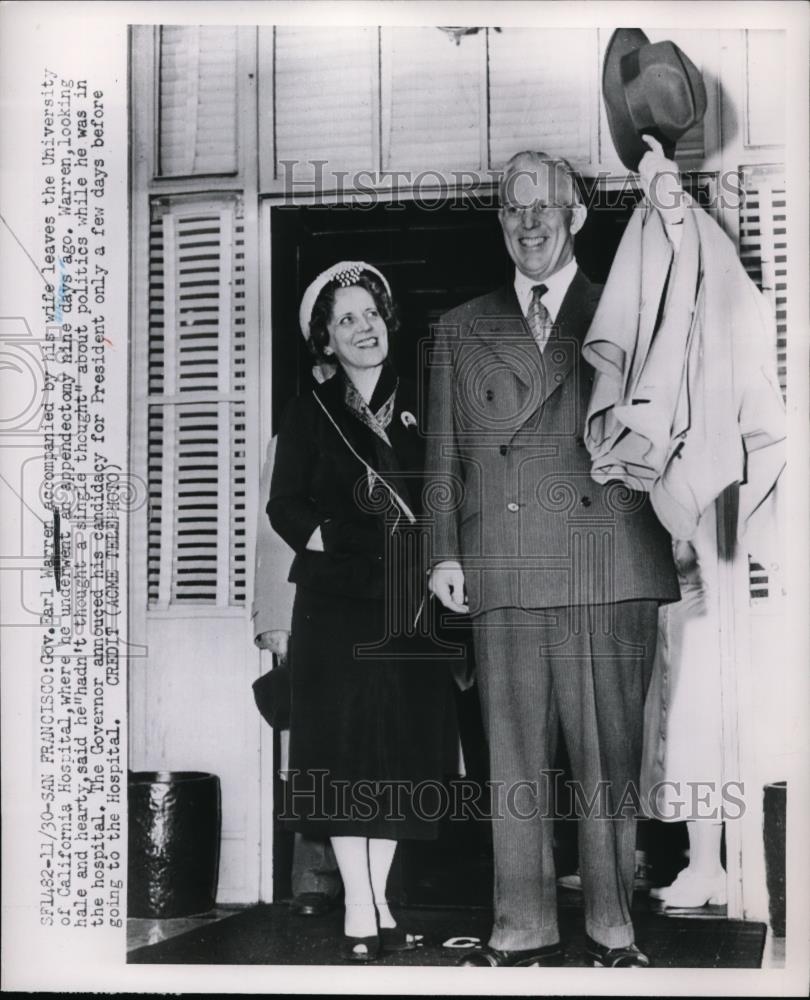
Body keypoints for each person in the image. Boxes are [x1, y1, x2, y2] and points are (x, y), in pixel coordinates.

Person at [425, 150, 680, 968]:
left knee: (608, 754)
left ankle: (613, 926)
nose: (527, 223)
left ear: (576, 217)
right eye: (511, 209)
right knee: (514, 761)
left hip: (607, 557)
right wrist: (440, 556)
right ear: (500, 219)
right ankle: (522, 924)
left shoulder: (632, 312)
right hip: (502, 560)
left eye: (544, 208)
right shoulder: (460, 329)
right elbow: (441, 460)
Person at [267, 260, 456, 962]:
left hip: (410, 603)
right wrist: (342, 543)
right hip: (337, 605)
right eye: (345, 319)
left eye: (370, 313)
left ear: (387, 320)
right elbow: (284, 503)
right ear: (326, 340)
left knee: (402, 756)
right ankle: (356, 902)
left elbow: (448, 489)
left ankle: (377, 898)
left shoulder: (424, 400)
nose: (362, 327)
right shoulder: (308, 410)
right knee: (345, 758)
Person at [252, 437, 342, 918]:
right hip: (309, 606)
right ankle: (314, 874)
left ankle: (382, 881)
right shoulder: (295, 436)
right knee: (311, 741)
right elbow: (273, 531)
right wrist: (273, 619)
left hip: (374, 604)